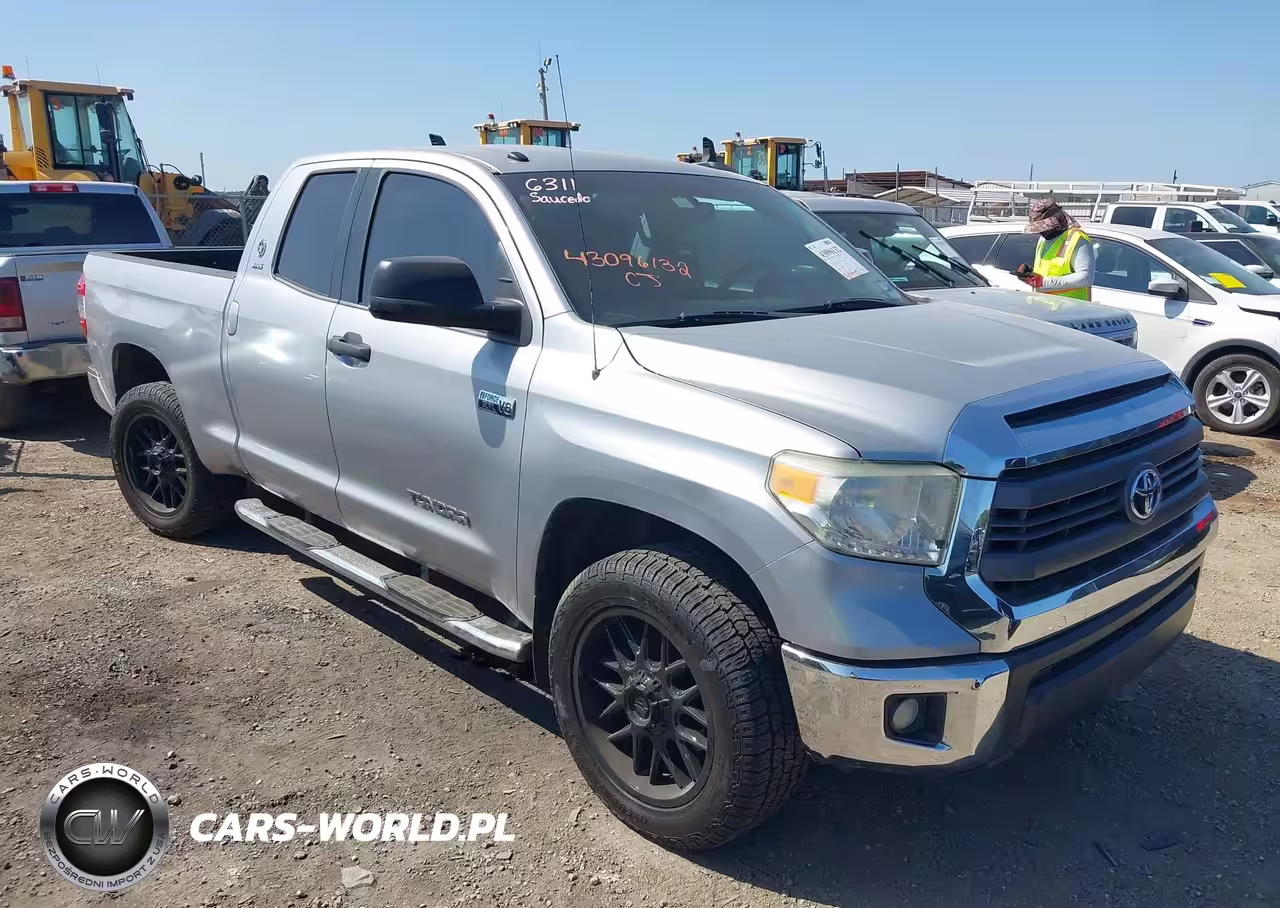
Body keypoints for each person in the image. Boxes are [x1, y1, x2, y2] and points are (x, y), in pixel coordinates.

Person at [1017, 197, 1095, 300]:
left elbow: (1086, 277)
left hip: (1071, 309)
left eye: (1045, 228)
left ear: (1057, 223)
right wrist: (1030, 273)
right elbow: (1049, 271)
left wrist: (1043, 282)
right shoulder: (1043, 239)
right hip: (1044, 307)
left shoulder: (1077, 240)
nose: (1042, 232)